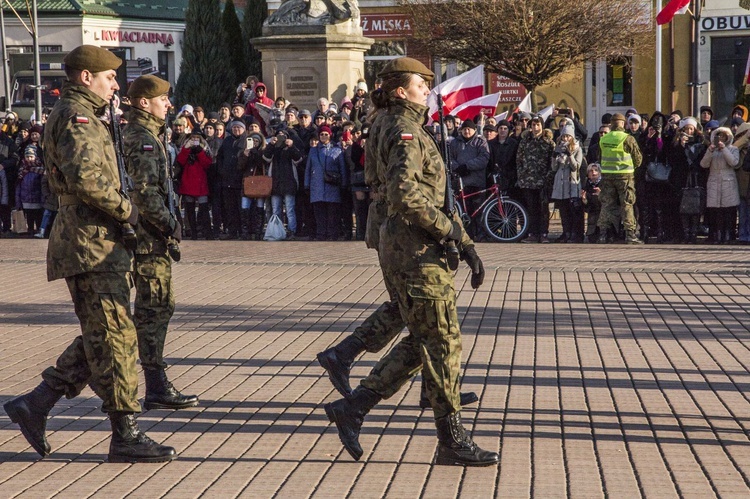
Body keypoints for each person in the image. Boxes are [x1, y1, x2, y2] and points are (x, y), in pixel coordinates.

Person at [3, 45, 175, 463]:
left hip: (98, 240)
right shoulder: (76, 117)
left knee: (109, 331)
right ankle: (125, 434)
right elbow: (87, 179)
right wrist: (128, 210)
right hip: (89, 240)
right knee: (115, 337)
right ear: (86, 77)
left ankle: (37, 403)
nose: (115, 83)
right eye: (109, 76)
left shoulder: (86, 116)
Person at [323, 58, 498, 467]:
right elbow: (407, 195)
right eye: (422, 84)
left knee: (426, 340)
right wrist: (453, 233)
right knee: (441, 342)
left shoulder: (392, 123)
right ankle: (451, 441)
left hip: (407, 244)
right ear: (401, 90)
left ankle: (355, 407)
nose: (427, 90)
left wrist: (464, 242)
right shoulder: (405, 131)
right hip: (415, 249)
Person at [122, 74, 199, 411]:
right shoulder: (142, 138)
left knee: (158, 308)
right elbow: (144, 193)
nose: (168, 104)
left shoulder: (149, 134)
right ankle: (153, 385)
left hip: (151, 238)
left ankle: (154, 383)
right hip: (147, 240)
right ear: (144, 102)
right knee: (153, 310)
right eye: (163, 99)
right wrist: (170, 226)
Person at [597, 113, 643, 244]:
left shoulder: (604, 139)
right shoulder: (628, 138)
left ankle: (603, 234)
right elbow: (638, 159)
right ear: (623, 124)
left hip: (607, 176)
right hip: (625, 177)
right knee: (627, 205)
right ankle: (630, 234)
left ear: (611, 124)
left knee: (606, 204)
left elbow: (599, 158)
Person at [305, 125, 348, 241]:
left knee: (332, 213)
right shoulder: (313, 151)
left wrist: (344, 183)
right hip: (316, 186)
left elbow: (342, 169)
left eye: (326, 134)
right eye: (322, 134)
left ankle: (332, 234)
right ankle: (321, 234)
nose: (324, 136)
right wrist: (306, 184)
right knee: (319, 213)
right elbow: (308, 168)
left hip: (332, 186)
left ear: (330, 136)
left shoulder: (337, 150)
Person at [517, 114, 555, 243]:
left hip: (543, 180)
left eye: (538, 125)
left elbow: (552, 161)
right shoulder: (525, 141)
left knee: (543, 209)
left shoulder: (548, 142)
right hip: (528, 180)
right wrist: (521, 175)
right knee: (531, 208)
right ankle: (532, 233)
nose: (536, 127)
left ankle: (543, 233)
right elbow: (519, 160)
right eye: (533, 125)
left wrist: (548, 177)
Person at [450, 119, 490, 239]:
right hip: (461, 182)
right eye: (464, 129)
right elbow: (449, 158)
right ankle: (467, 234)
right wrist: (457, 167)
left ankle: (480, 234)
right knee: (464, 210)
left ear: (474, 130)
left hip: (477, 181)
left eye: (469, 129)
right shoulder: (455, 142)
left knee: (478, 209)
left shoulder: (481, 141)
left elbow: (484, 158)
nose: (467, 131)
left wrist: (467, 166)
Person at [701, 127, 740, 244]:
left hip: (728, 181)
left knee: (728, 210)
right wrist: (710, 151)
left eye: (723, 136)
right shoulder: (712, 150)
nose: (721, 139)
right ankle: (716, 235)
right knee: (715, 211)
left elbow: (734, 162)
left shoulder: (733, 149)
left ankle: (728, 235)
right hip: (714, 181)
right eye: (719, 136)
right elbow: (703, 164)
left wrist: (724, 149)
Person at [550, 123, 584, 243]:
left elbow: (576, 167)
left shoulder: (578, 149)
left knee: (573, 211)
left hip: (571, 182)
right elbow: (554, 168)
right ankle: (566, 232)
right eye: (564, 136)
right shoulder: (558, 147)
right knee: (563, 211)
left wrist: (569, 155)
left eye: (568, 136)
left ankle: (575, 234)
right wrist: (554, 156)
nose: (565, 139)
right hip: (560, 183)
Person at [176, 130, 213, 240]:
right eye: (193, 138)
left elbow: (207, 164)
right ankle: (193, 233)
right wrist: (186, 149)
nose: (195, 140)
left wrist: (199, 152)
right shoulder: (185, 148)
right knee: (190, 210)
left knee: (204, 209)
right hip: (188, 182)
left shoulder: (205, 149)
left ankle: (207, 232)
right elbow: (180, 161)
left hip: (201, 183)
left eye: (197, 138)